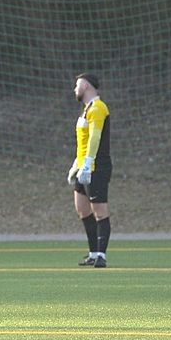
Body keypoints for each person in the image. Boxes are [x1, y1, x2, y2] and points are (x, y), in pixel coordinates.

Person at [66, 73, 112, 268]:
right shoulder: (86, 110)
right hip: (83, 167)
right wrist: (76, 165)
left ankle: (101, 254)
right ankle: (93, 253)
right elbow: (83, 143)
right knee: (82, 209)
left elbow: (95, 137)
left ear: (85, 86)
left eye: (77, 85)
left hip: (96, 167)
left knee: (99, 211)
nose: (75, 89)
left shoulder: (98, 108)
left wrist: (88, 163)